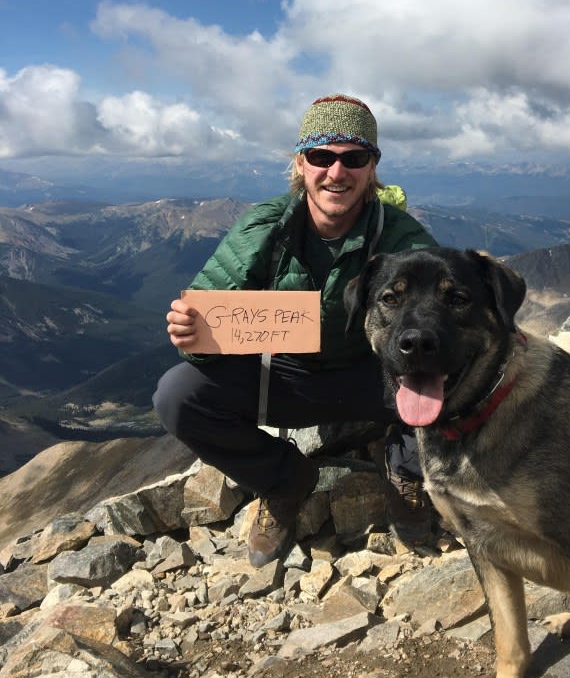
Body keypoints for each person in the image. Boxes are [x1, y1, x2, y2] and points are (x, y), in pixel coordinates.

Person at [154, 93, 439, 567]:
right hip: (283, 378)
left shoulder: (401, 238)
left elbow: (436, 324)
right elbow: (207, 325)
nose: (337, 171)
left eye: (355, 158)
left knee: (462, 377)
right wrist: (191, 333)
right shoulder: (265, 228)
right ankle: (286, 481)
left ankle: (403, 465)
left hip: (376, 380)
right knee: (177, 396)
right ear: (301, 163)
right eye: (321, 156)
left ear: (372, 168)